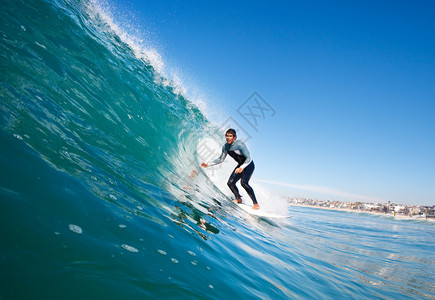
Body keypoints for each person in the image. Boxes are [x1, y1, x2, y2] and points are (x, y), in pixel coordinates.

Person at [201, 129, 259, 210]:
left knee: (244, 183)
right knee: (230, 183)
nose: (228, 138)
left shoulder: (240, 145)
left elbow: (249, 158)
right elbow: (221, 159)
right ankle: (238, 198)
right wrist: (208, 164)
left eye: (230, 136)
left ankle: (256, 204)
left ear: (234, 137)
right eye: (227, 136)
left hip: (248, 165)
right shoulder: (225, 147)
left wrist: (242, 167)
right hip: (240, 165)